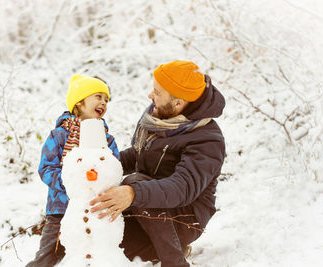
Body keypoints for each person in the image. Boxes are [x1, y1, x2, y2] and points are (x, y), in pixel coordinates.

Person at [90, 60, 226, 267]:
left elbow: (182, 188)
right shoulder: (160, 115)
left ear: (178, 103)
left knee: (134, 181)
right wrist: (101, 163)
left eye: (157, 92)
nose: (150, 95)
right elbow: (138, 155)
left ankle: (174, 260)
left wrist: (133, 193)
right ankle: (161, 248)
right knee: (106, 245)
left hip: (185, 216)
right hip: (148, 209)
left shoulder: (207, 139)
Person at [26, 74, 120, 267]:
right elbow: (46, 168)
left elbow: (113, 170)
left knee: (92, 254)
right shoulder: (60, 135)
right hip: (60, 208)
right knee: (47, 256)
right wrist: (72, 184)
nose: (103, 102)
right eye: (98, 96)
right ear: (79, 103)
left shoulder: (107, 139)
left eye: (106, 99)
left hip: (93, 208)